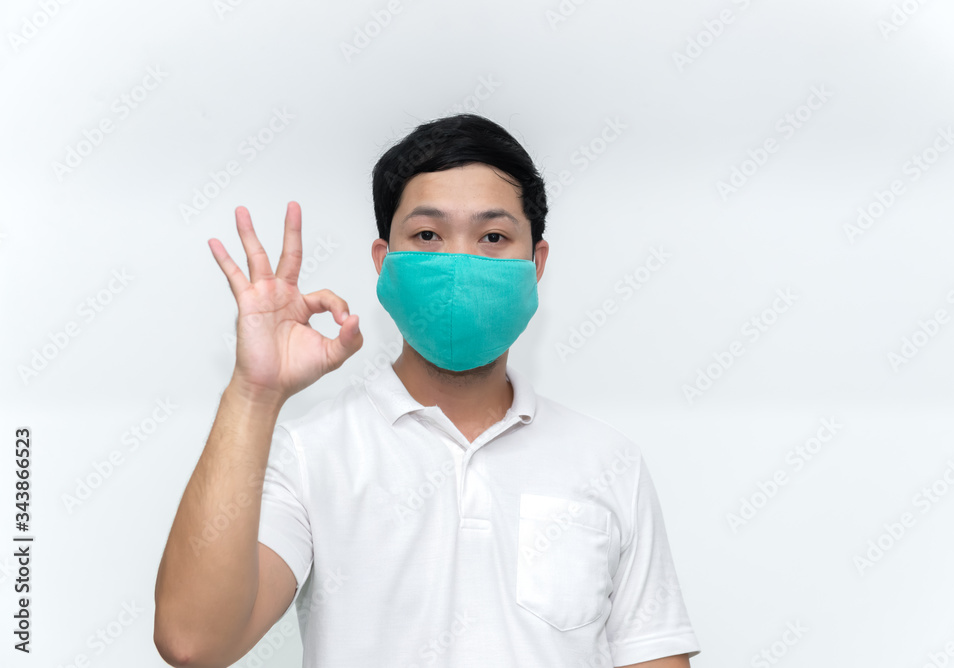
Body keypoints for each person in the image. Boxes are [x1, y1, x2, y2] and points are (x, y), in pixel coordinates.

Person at [153, 113, 700, 667]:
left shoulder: (608, 462)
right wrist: (254, 392)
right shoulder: (311, 453)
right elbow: (195, 642)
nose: (459, 262)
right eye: (427, 235)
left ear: (535, 264)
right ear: (384, 262)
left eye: (493, 236)